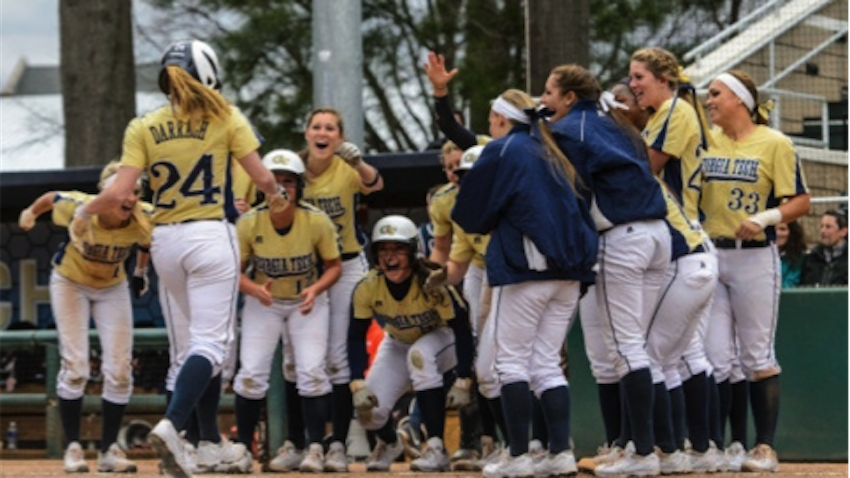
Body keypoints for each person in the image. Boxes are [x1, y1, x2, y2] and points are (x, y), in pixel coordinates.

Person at [73, 39, 287, 478]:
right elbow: (261, 176)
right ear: (208, 74)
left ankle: (207, 442)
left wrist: (83, 210)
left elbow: (116, 192)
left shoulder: (144, 125)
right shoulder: (227, 115)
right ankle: (175, 426)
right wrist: (277, 194)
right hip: (211, 234)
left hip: (165, 240)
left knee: (195, 346)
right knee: (214, 344)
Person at [449, 81, 598, 478]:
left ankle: (518, 455)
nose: (489, 126)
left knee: (509, 364)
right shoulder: (550, 149)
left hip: (526, 270)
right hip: (569, 273)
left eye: (491, 119)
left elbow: (468, 213)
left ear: (501, 119)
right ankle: (558, 453)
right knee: (546, 364)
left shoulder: (503, 149)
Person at [541, 63, 670, 477]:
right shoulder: (614, 120)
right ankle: (633, 445)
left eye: (548, 93)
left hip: (622, 237)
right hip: (656, 234)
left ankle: (643, 453)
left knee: (626, 346)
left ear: (569, 98)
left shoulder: (569, 129)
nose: (543, 101)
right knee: (636, 347)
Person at [701, 69, 811, 473]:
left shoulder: (775, 143)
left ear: (739, 100)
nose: (709, 100)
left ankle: (764, 446)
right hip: (710, 253)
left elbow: (801, 201)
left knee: (756, 354)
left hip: (753, 256)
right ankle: (729, 443)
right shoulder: (704, 140)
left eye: (715, 94)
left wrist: (765, 217)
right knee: (716, 356)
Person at [17, 161, 151, 473]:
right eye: (121, 191)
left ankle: (109, 451)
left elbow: (146, 240)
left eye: (135, 191)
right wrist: (30, 213)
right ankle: (73, 448)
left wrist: (141, 271)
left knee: (119, 368)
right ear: (104, 191)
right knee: (75, 365)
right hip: (70, 282)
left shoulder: (143, 216)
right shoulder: (79, 206)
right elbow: (51, 198)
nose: (129, 198)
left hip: (112, 286)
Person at [231, 149, 344, 472]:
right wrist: (252, 289)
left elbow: (334, 266)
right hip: (263, 301)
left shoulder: (315, 220)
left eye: (289, 182)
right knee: (251, 373)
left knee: (310, 371)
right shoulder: (249, 222)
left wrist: (316, 288)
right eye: (274, 181)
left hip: (305, 300)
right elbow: (235, 271)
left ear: (300, 188)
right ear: (259, 186)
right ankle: (243, 450)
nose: (280, 188)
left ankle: (313, 448)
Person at [347, 215, 474, 473]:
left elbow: (462, 330)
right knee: (368, 413)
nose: (390, 257)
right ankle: (390, 443)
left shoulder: (432, 282)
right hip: (398, 342)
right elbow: (355, 336)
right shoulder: (367, 287)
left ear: (413, 251)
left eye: (398, 249)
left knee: (420, 354)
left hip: (444, 338)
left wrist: (463, 378)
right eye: (383, 249)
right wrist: (357, 381)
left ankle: (437, 448)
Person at [298, 108, 384, 463]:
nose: (323, 133)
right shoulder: (295, 171)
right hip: (307, 270)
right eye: (316, 127)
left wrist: (358, 162)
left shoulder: (346, 168)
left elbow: (376, 184)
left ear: (339, 136)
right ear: (306, 133)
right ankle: (305, 439)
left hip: (347, 264)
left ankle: (348, 434)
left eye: (330, 128)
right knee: (304, 356)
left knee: (343, 352)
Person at [630, 47, 712, 220]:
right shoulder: (658, 115)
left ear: (662, 80)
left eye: (639, 77)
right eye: (631, 78)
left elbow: (648, 168)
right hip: (670, 220)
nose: (632, 85)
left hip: (679, 222)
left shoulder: (674, 110)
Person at [800, 210, 849, 286]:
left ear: (843, 232)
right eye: (821, 226)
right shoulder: (811, 258)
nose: (823, 231)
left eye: (828, 227)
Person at [776, 221, 807, 288]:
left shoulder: (799, 258)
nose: (778, 233)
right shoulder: (762, 256)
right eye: (774, 230)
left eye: (782, 229)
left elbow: (791, 283)